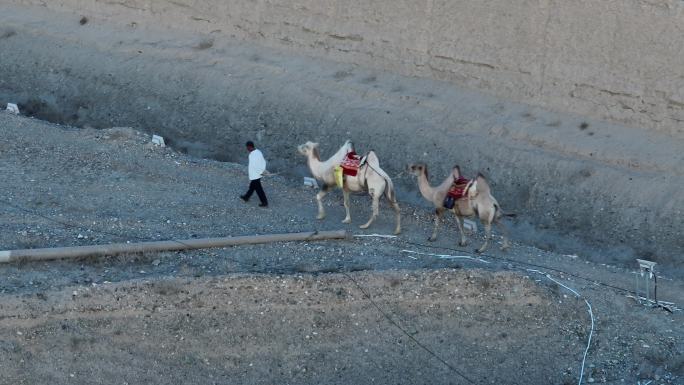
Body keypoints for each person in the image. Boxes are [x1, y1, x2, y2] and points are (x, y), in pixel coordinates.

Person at [240, 141, 268, 207]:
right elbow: (263, 162)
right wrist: (263, 171)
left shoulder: (252, 155)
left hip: (255, 175)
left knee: (259, 189)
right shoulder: (258, 152)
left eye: (247, 147)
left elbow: (255, 165)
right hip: (257, 174)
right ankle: (246, 197)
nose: (247, 149)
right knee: (252, 187)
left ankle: (264, 202)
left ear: (250, 146)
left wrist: (260, 172)